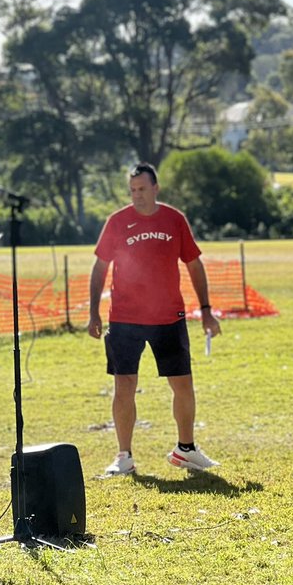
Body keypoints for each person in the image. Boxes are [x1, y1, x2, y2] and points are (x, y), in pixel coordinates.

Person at [88, 162, 221, 476]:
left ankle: (185, 449)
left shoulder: (174, 220)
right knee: (124, 386)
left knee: (183, 385)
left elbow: (194, 265)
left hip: (168, 316)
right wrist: (93, 311)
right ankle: (124, 456)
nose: (137, 196)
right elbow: (99, 268)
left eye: (142, 189)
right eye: (133, 190)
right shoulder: (117, 222)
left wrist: (205, 310)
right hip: (125, 317)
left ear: (155, 188)